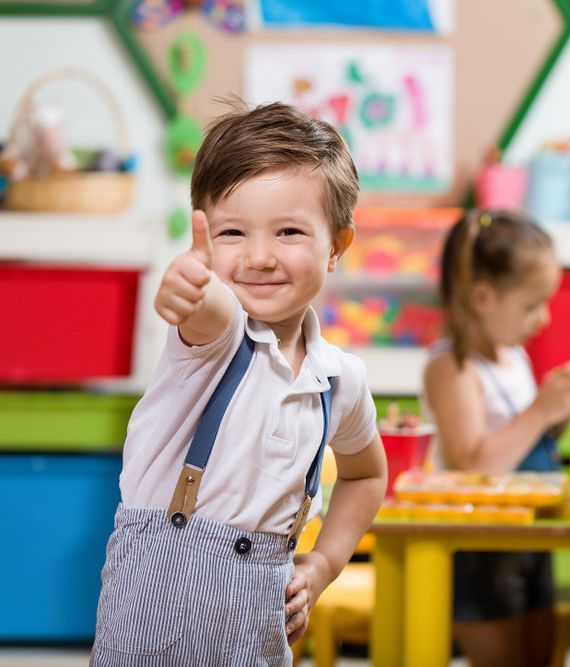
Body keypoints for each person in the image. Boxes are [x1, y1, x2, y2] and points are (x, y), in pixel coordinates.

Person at [90, 102, 387, 666]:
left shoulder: (340, 380)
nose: (257, 257)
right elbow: (207, 307)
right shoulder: (217, 337)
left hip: (258, 627)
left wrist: (323, 564)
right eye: (231, 233)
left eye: (290, 232)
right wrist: (188, 287)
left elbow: (367, 473)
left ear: (337, 247)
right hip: (150, 622)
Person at [422, 209, 570, 667]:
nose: (543, 320)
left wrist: (556, 414)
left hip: (530, 536)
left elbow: (522, 441)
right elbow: (473, 464)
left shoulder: (513, 356)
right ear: (482, 296)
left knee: (542, 654)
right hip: (484, 547)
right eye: (532, 304)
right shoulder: (453, 367)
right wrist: (540, 410)